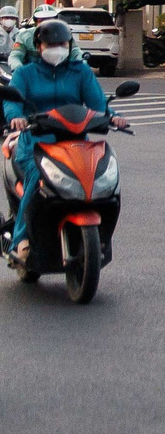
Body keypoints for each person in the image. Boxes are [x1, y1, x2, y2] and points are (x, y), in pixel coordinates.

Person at [4, 19, 109, 262]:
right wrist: (16, 117)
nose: (57, 49)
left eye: (62, 44)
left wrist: (113, 118)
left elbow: (98, 104)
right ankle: (21, 240)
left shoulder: (80, 72)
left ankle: (102, 235)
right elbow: (12, 101)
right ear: (38, 47)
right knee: (38, 178)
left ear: (69, 45)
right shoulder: (25, 73)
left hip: (74, 143)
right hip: (35, 144)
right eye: (51, 45)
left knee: (100, 174)